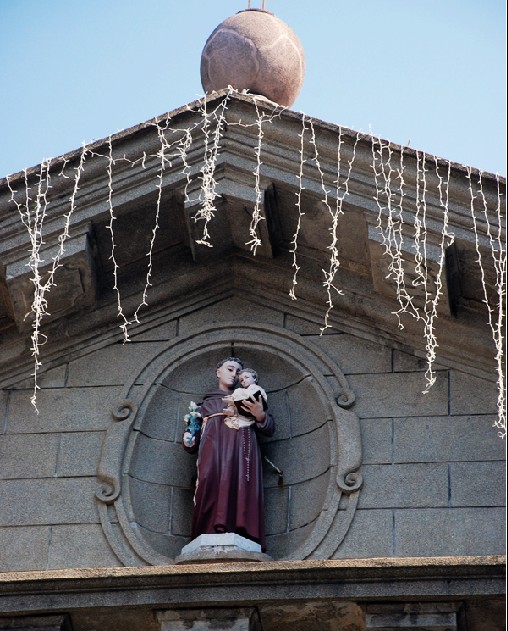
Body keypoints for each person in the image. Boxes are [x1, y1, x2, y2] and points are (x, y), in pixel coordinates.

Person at [183, 357, 274, 551]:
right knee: (208, 481)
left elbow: (269, 427)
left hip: (241, 451)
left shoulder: (246, 398)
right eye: (230, 369)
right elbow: (192, 435)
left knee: (239, 484)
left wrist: (259, 414)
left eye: (238, 372)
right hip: (212, 451)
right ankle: (207, 530)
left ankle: (241, 531)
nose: (234, 374)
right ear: (218, 371)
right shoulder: (204, 405)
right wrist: (189, 438)